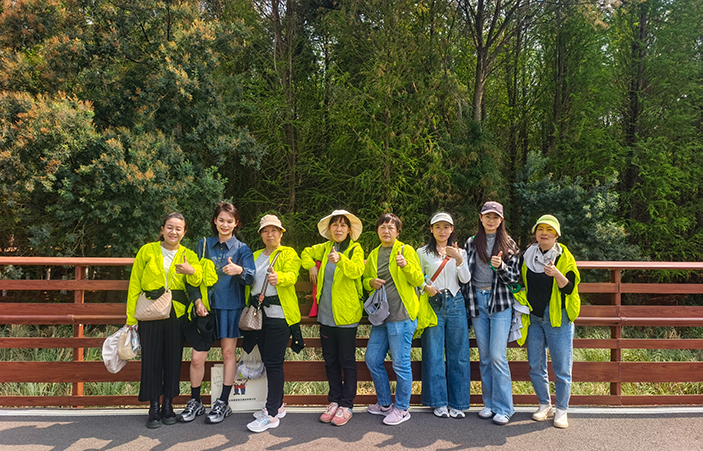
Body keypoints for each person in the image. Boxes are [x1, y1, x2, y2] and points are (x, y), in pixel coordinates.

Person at [179, 202, 255, 424]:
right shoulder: (203, 245)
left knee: (228, 353)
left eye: (230, 221)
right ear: (215, 221)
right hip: (205, 309)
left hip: (231, 307)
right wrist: (197, 300)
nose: (225, 224)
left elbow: (251, 278)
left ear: (236, 223)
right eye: (221, 220)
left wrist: (239, 270)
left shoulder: (242, 249)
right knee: (197, 357)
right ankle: (195, 401)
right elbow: (191, 276)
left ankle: (223, 402)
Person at [125, 213, 202, 429]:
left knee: (172, 359)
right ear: (162, 229)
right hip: (150, 311)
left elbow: (199, 278)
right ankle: (153, 407)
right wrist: (131, 317)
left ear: (184, 233)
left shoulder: (188, 254)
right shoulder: (147, 251)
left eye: (178, 229)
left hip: (176, 312)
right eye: (169, 227)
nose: (173, 232)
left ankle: (168, 405)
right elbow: (135, 284)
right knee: (151, 359)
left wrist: (191, 270)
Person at [301, 210, 365, 426]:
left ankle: (347, 404)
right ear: (329, 229)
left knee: (347, 360)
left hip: (347, 316)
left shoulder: (355, 249)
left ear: (349, 230)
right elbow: (305, 253)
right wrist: (311, 265)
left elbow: (357, 271)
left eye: (343, 225)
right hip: (326, 315)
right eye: (335, 225)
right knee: (330, 360)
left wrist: (341, 259)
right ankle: (334, 401)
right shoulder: (325, 247)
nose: (338, 229)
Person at [461, 201, 520, 425]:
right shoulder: (471, 242)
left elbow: (515, 279)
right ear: (481, 218)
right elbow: (464, 273)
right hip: (477, 301)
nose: (491, 220)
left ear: (501, 220)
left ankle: (505, 408)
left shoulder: (509, 244)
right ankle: (490, 404)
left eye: (495, 217)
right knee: (485, 357)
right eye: (487, 216)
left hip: (500, 303)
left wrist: (501, 267)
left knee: (497, 356)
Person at [519, 215, 580, 429]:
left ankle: (562, 409)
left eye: (549, 230)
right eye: (540, 229)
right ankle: (544, 405)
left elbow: (570, 288)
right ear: (535, 233)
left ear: (556, 235)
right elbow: (518, 280)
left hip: (557, 317)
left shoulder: (564, 256)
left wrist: (556, 274)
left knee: (562, 367)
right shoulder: (528, 255)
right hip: (534, 317)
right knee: (535, 365)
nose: (544, 233)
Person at [363, 213, 424, 426]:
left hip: (401, 316)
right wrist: (370, 282)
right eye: (382, 227)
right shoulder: (374, 254)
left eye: (391, 227)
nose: (386, 231)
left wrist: (405, 265)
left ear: (398, 232)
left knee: (401, 364)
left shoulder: (406, 250)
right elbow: (365, 280)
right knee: (372, 359)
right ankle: (384, 404)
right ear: (377, 230)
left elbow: (418, 279)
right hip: (381, 317)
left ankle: (402, 408)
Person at [246, 214, 302, 433]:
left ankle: (270, 415)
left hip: (279, 316)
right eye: (266, 231)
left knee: (274, 362)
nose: (270, 234)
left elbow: (292, 275)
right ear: (261, 234)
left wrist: (280, 278)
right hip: (258, 316)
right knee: (269, 361)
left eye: (274, 230)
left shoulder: (288, 253)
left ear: (281, 233)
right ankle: (277, 406)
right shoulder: (254, 256)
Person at [418, 212, 471, 419]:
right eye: (438, 227)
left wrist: (458, 259)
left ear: (452, 229)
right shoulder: (422, 252)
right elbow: (417, 279)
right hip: (434, 303)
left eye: (446, 227)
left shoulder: (461, 252)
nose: (442, 231)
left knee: (459, 354)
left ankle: (458, 402)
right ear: (431, 229)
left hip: (456, 302)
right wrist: (425, 286)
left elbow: (465, 279)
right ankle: (438, 402)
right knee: (434, 354)